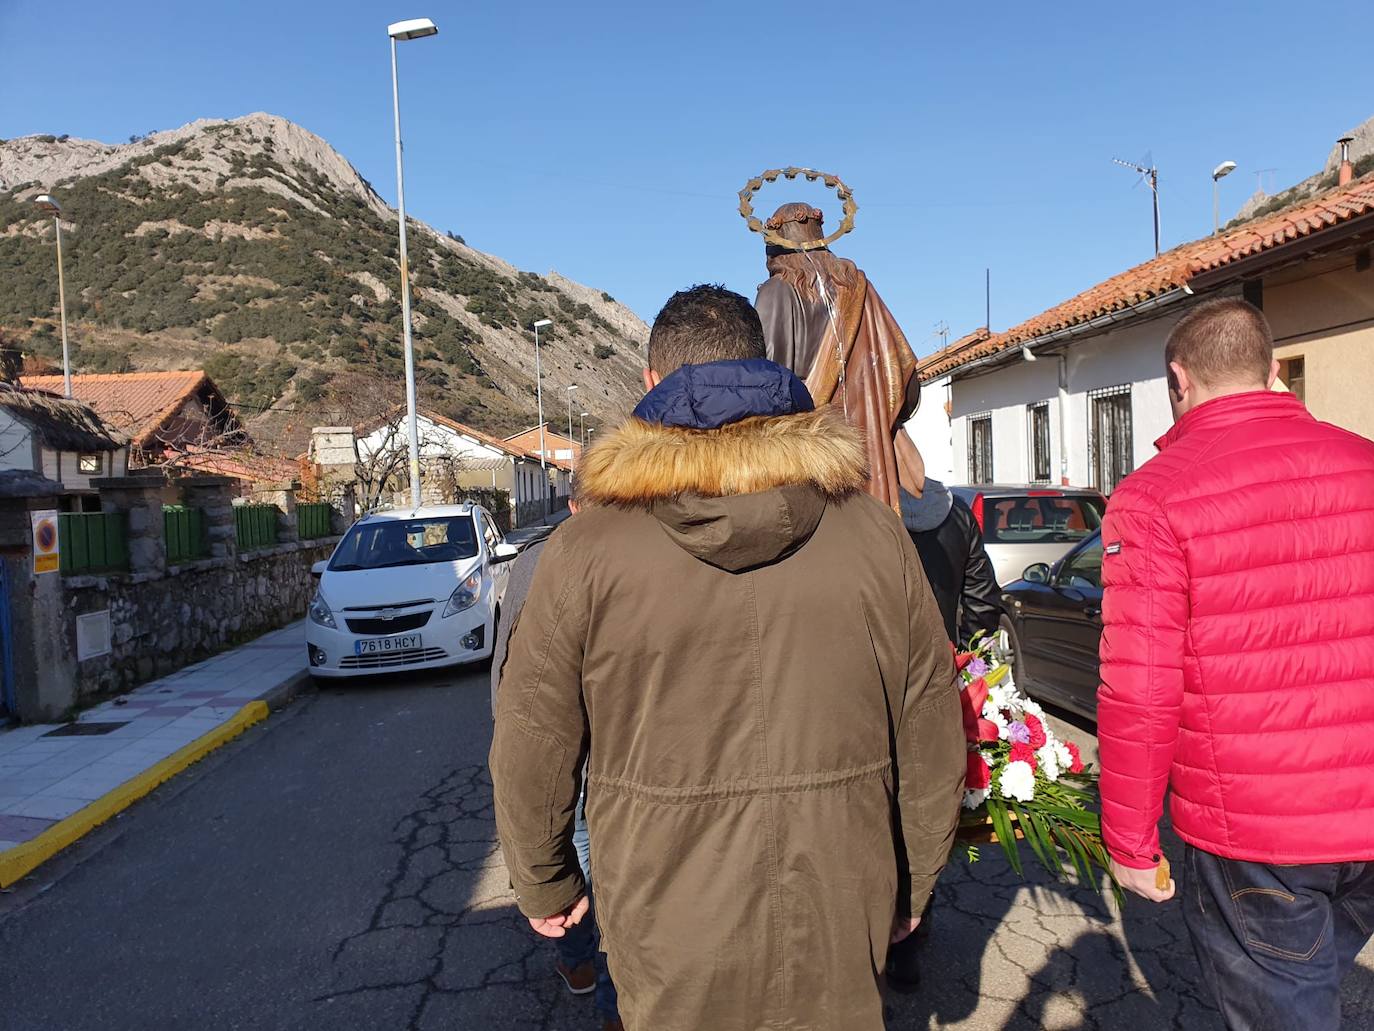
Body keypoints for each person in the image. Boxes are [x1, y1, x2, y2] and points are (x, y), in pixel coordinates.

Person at [490, 284, 965, 1031]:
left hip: (664, 929)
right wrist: (910, 882)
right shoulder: (873, 535)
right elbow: (932, 733)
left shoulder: (585, 551)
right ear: (764, 375)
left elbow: (531, 738)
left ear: (653, 386)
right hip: (840, 912)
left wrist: (547, 882)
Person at [1096, 297, 1374, 1030]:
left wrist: (1129, 839)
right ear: (1276, 371)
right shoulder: (1366, 463)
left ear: (1177, 381)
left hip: (1257, 832)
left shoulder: (1152, 498)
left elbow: (1141, 688)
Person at [489, 520, 621, 1029]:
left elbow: (507, 663)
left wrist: (502, 729)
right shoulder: (644, 547)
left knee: (585, 866)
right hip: (614, 755)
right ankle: (602, 984)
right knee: (608, 875)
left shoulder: (545, 557)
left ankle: (582, 963)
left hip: (577, 752)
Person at [884, 475, 1002, 993]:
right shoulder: (954, 513)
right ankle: (914, 928)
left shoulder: (861, 509)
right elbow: (983, 602)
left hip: (883, 678)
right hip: (944, 675)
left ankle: (884, 931)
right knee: (928, 803)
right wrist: (965, 658)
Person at [754, 202, 924, 511]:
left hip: (810, 466)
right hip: (870, 456)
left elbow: (763, 389)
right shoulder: (860, 288)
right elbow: (906, 381)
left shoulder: (776, 292)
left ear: (773, 249)